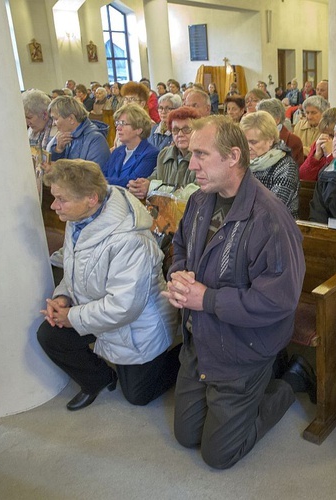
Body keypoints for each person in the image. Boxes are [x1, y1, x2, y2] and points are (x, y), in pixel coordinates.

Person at [166, 115, 305, 470]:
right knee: (185, 435)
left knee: (218, 455)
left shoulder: (269, 218)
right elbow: (180, 244)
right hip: (201, 339)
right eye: (191, 153)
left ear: (232, 157)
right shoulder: (200, 200)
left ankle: (289, 381)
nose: (190, 162)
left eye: (201, 154)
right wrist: (178, 275)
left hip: (242, 346)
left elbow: (279, 300)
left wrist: (206, 299)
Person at [37, 159, 180, 411]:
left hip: (139, 324)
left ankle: (185, 358)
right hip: (97, 307)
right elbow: (74, 269)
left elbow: (125, 308)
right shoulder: (80, 217)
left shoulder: (130, 240)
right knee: (49, 335)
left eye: (61, 199)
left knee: (138, 396)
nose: (53, 205)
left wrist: (73, 317)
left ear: (91, 198)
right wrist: (63, 298)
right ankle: (99, 379)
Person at [128, 107, 201, 199]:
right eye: (175, 130)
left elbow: (194, 193)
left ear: (197, 131)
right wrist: (139, 186)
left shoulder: (202, 158)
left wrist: (151, 188)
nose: (180, 134)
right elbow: (154, 177)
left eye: (186, 129)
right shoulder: (164, 154)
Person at [239, 111, 299, 217]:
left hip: (279, 227)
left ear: (270, 140)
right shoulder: (240, 163)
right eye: (244, 141)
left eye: (253, 142)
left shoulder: (286, 166)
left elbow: (274, 206)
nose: (247, 147)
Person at [101, 104, 159, 187]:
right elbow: (102, 175)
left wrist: (102, 181)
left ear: (139, 129)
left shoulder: (151, 154)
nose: (118, 128)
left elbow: (131, 182)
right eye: (117, 123)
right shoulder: (117, 151)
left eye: (123, 123)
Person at [48, 96, 110, 169]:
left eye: (55, 119)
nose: (53, 124)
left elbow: (93, 176)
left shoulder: (96, 140)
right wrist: (58, 150)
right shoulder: (62, 135)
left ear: (71, 119)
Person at [299, 107, 336, 182]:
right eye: (324, 133)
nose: (327, 139)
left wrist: (330, 155)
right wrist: (316, 156)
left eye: (332, 135)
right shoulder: (318, 145)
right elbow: (303, 177)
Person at [257, 98, 304, 166]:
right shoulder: (255, 138)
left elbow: (295, 172)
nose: (258, 122)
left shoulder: (293, 141)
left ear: (277, 120)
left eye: (263, 118)